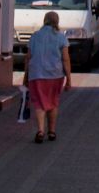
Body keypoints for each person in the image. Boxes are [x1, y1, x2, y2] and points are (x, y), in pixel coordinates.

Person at [23, 10, 71, 142]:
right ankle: (52, 131)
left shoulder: (35, 36)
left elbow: (28, 57)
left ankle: (40, 130)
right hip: (55, 75)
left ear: (45, 20)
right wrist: (69, 79)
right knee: (53, 102)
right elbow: (65, 59)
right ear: (57, 22)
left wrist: (25, 76)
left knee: (39, 103)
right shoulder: (61, 37)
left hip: (36, 74)